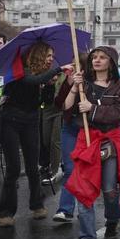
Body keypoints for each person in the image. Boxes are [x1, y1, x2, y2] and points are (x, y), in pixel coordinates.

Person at [63, 46, 120, 239]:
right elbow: (66, 107)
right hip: (87, 142)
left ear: (111, 62)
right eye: (94, 57)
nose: (97, 60)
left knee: (110, 190)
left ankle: (113, 220)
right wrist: (74, 88)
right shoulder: (84, 85)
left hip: (109, 142)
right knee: (84, 191)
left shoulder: (119, 87)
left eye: (102, 57)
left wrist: (92, 109)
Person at [0, 42, 71, 227]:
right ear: (38, 55)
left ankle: (37, 205)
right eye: (48, 56)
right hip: (10, 120)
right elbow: (30, 81)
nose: (51, 59)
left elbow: (44, 101)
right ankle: (5, 212)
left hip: (31, 120)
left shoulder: (43, 75)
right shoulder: (20, 68)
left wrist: (49, 86)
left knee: (33, 166)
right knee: (13, 168)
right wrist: (57, 70)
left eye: (52, 56)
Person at [51, 53, 88, 224]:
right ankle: (65, 209)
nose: (73, 68)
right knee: (70, 169)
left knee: (86, 170)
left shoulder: (92, 80)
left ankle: (86, 207)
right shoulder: (67, 80)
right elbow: (59, 103)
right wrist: (70, 84)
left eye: (76, 64)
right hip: (69, 128)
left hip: (87, 129)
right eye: (71, 64)